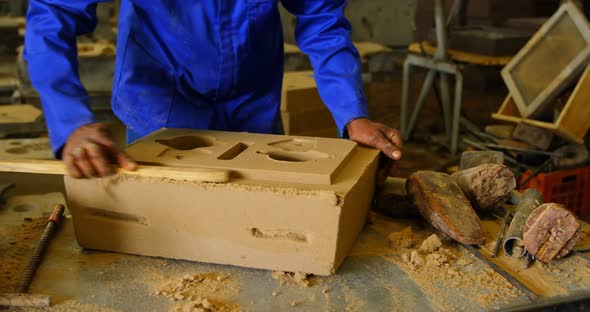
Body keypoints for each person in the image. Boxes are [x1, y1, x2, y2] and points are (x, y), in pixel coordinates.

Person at [24, 0, 402, 179]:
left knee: (264, 226)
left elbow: (321, 19)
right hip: (161, 104)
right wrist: (70, 121)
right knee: (167, 236)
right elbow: (53, 15)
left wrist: (351, 113)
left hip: (252, 103)